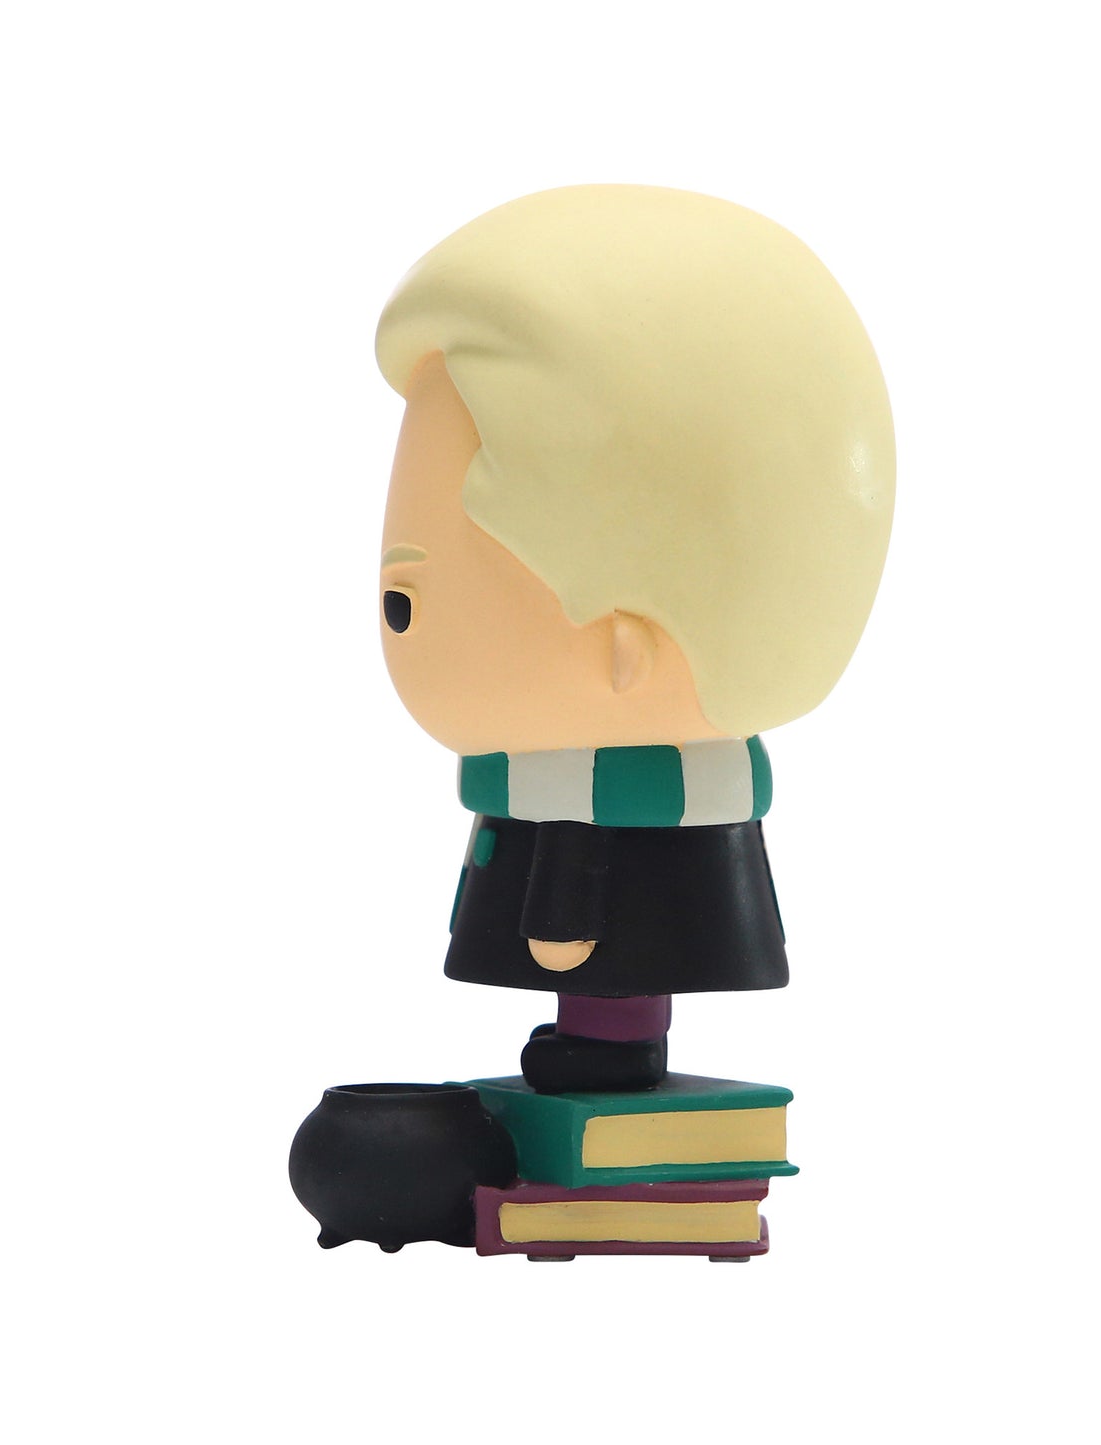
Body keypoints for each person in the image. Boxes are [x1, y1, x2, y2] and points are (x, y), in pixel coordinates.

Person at [373, 185, 895, 1092]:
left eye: (405, 602)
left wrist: (560, 911)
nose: (395, 631)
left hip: (608, 877)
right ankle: (603, 1039)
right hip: (568, 856)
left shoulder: (648, 786)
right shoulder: (530, 774)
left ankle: (616, 1040)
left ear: (624, 633)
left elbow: (581, 860)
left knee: (617, 933)